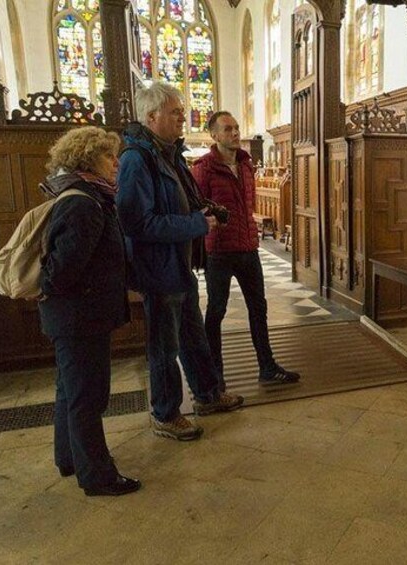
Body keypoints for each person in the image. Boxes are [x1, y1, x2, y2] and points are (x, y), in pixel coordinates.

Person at [117, 82, 243, 442]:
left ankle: (206, 396)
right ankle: (166, 413)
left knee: (193, 336)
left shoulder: (167, 154)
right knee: (165, 347)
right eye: (175, 112)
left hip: (179, 264)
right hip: (157, 270)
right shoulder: (135, 159)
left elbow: (177, 202)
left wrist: (200, 210)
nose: (181, 118)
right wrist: (194, 223)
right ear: (151, 116)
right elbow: (136, 223)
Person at [39, 126, 140, 496]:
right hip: (80, 319)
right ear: (87, 160)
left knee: (70, 391)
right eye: (107, 156)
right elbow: (59, 274)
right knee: (88, 397)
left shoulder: (85, 196)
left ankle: (70, 458)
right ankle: (99, 476)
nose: (116, 162)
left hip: (74, 317)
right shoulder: (83, 203)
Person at [192, 111, 301, 385]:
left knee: (259, 308)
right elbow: (194, 206)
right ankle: (214, 376)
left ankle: (267, 367)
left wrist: (251, 235)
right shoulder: (204, 168)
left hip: (247, 248)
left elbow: (247, 206)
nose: (235, 133)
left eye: (237, 128)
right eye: (228, 129)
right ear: (214, 135)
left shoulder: (246, 165)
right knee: (216, 311)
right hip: (218, 251)